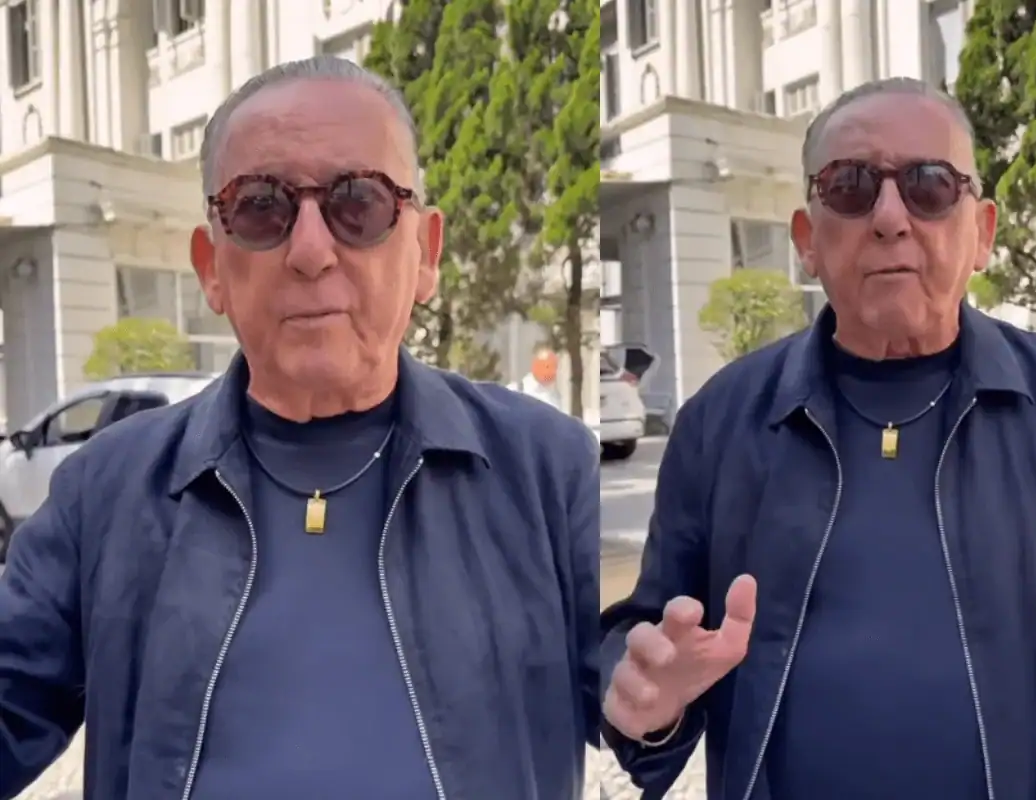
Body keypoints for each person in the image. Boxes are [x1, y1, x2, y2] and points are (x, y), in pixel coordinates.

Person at [0, 56, 599, 800]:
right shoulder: (103, 493)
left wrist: (658, 704)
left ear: (426, 253)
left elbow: (637, 695)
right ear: (211, 267)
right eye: (261, 207)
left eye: (359, 203)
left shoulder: (546, 468)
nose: (311, 252)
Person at [600, 77, 1036, 800]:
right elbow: (651, 641)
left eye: (930, 185)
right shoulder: (720, 420)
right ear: (807, 240)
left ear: (982, 233)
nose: (890, 217)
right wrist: (642, 702)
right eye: (850, 187)